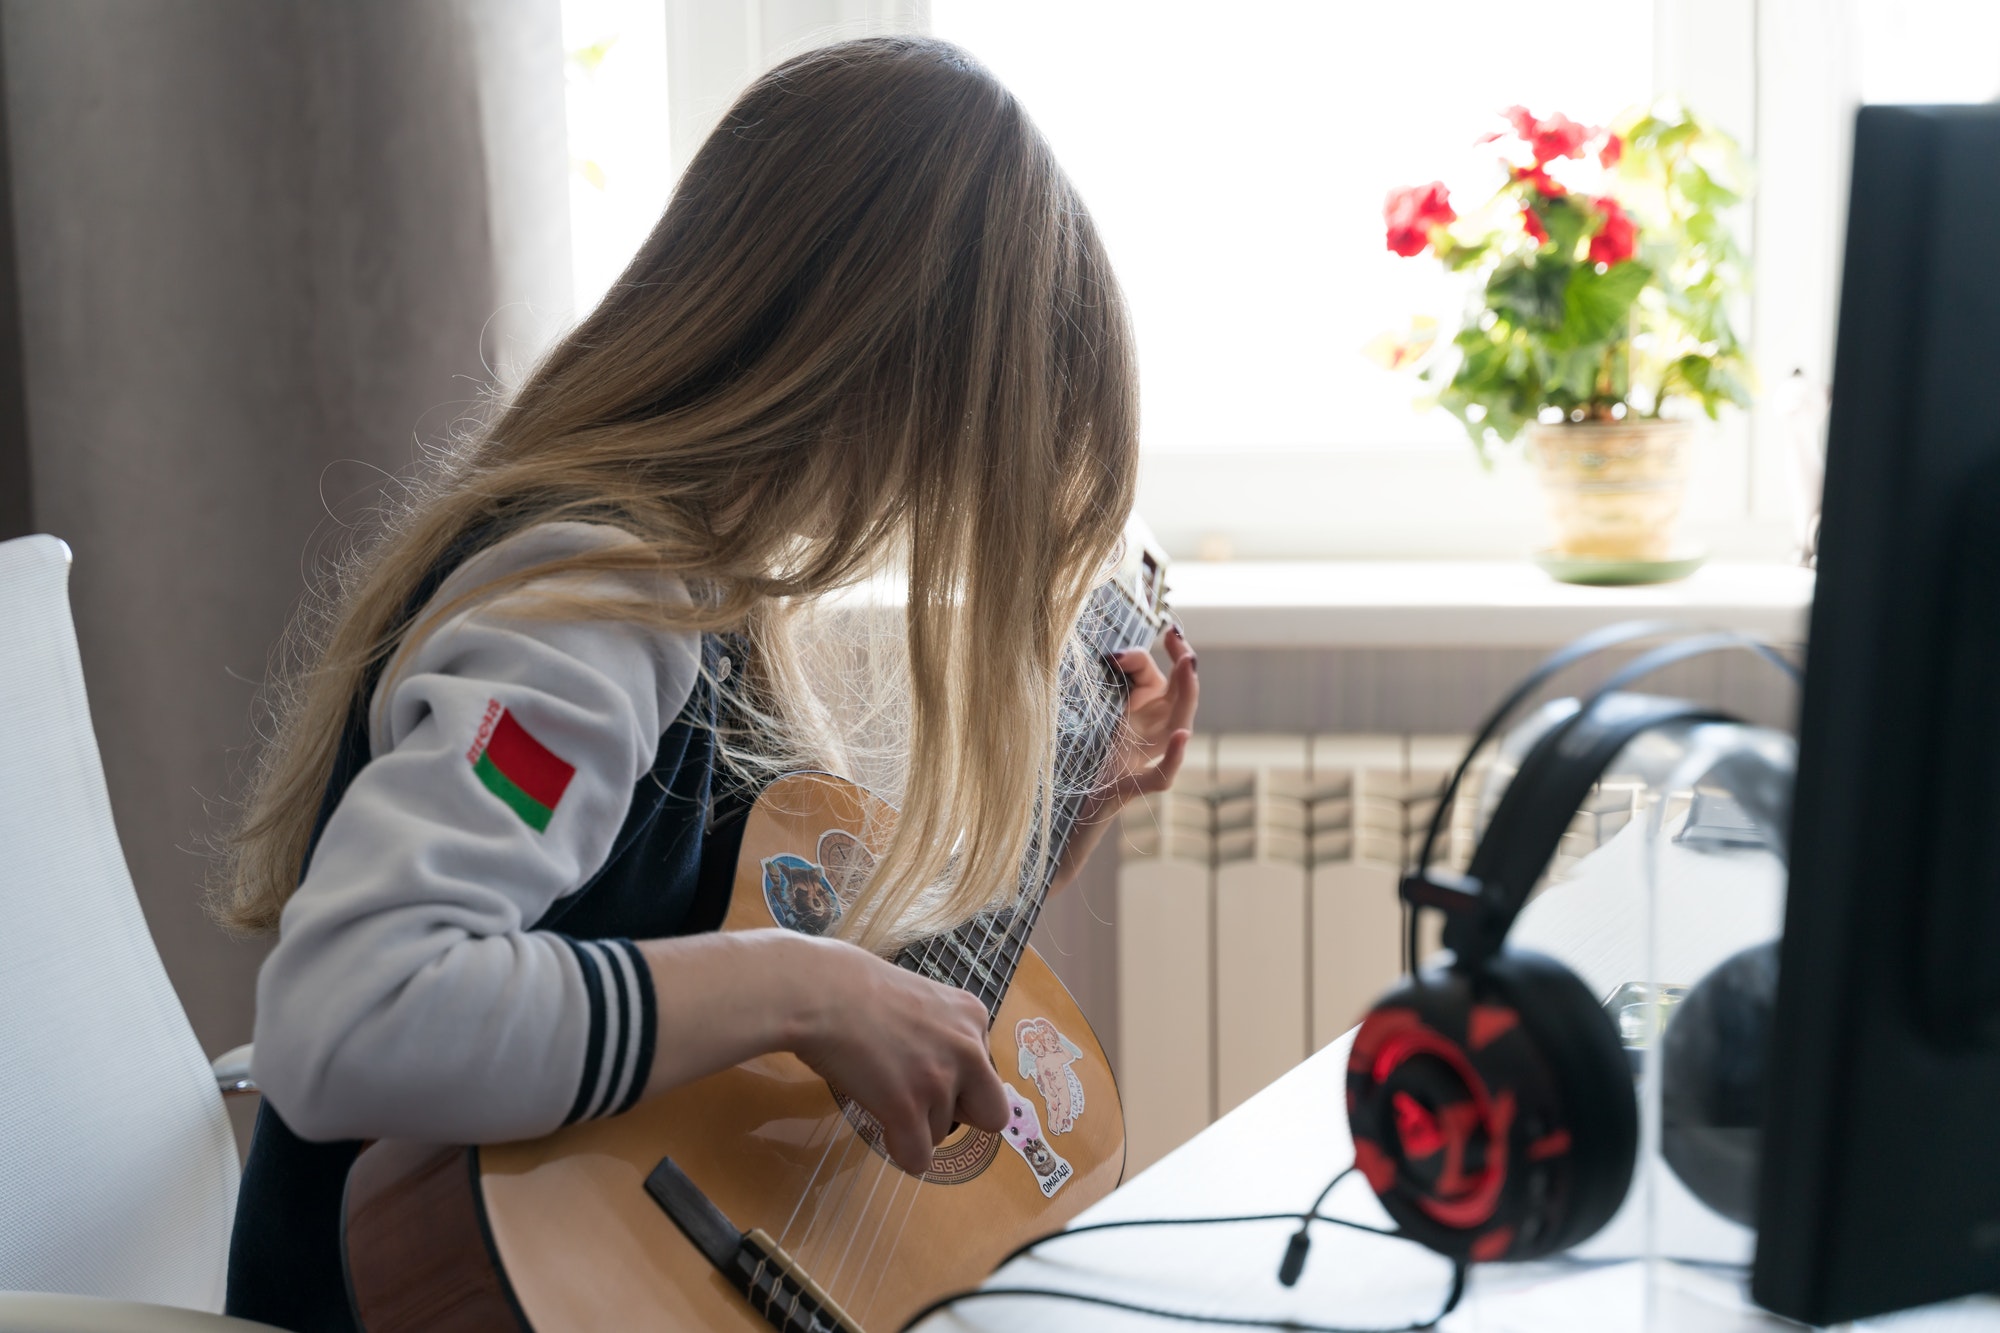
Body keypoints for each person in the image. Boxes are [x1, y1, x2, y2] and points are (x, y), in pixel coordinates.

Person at [212, 35, 1198, 1332]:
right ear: (881, 370)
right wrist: (809, 985)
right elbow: (350, 1015)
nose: (950, 504)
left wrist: (1059, 823)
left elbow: (742, 1030)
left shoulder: (707, 598)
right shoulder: (584, 621)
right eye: (986, 454)